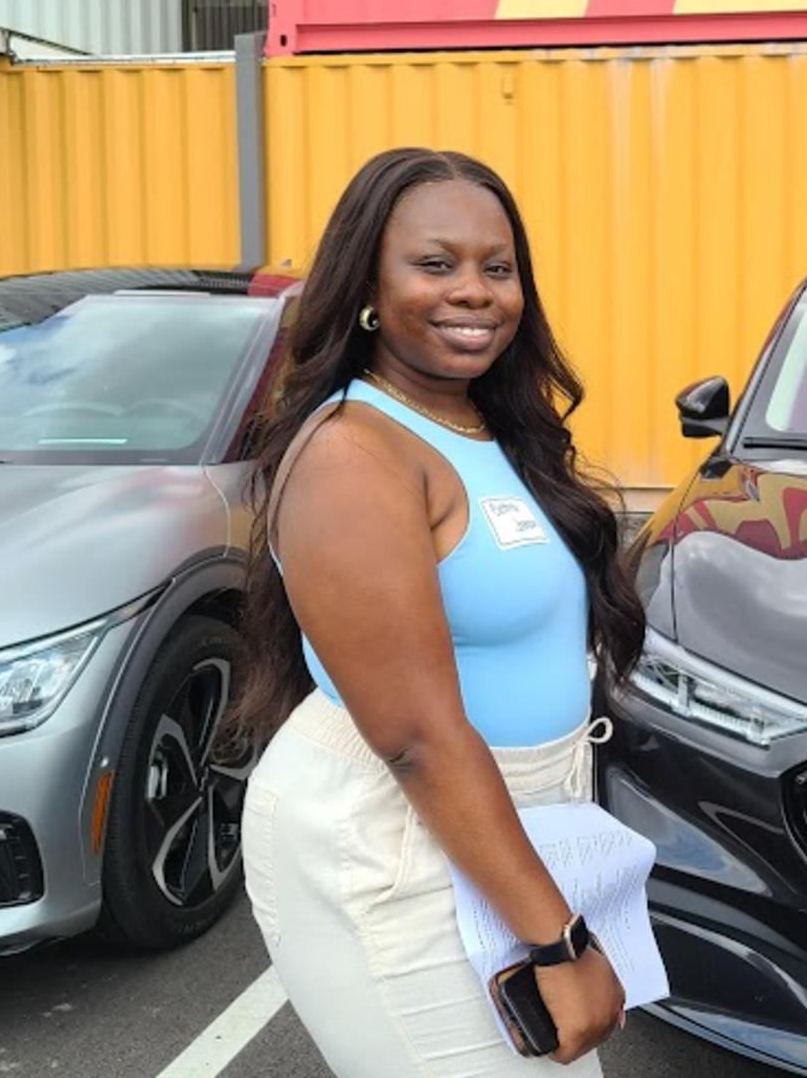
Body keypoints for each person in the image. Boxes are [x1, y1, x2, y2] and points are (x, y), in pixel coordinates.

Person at [232, 148, 647, 1075]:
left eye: (498, 269)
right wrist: (557, 945)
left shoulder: (488, 428)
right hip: (396, 834)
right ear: (368, 285)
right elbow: (416, 734)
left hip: (509, 819)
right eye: (436, 264)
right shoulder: (353, 452)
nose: (476, 292)